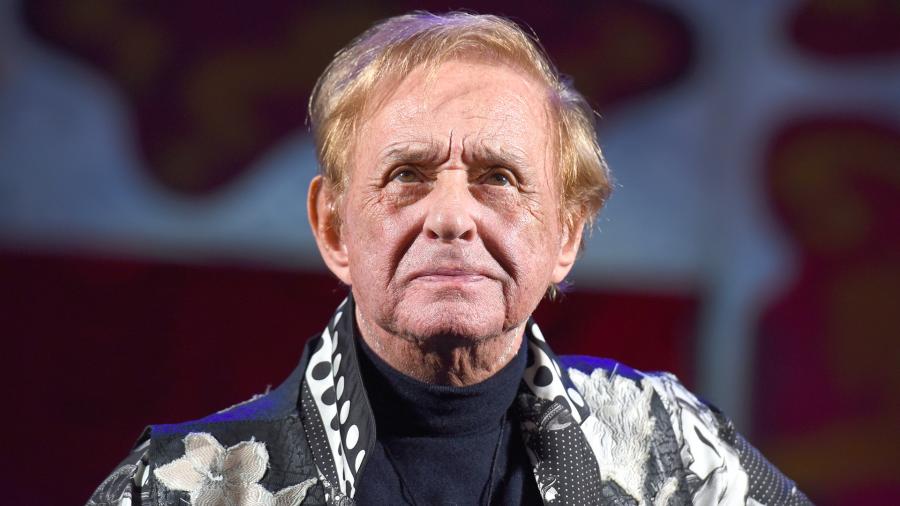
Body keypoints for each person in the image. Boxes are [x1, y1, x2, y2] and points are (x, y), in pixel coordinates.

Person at [89, 11, 811, 506]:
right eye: (407, 175)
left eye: (498, 177)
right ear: (334, 228)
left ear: (566, 235)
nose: (452, 217)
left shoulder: (671, 450)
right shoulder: (177, 489)